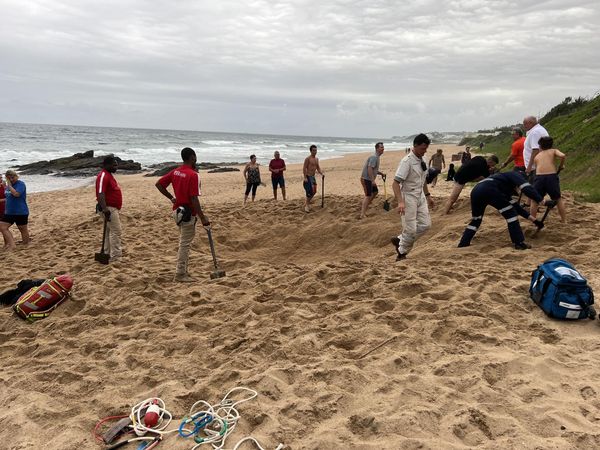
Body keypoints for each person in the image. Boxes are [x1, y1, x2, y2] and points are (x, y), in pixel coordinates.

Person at [155, 147, 210, 283]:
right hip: (187, 213)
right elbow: (194, 199)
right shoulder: (193, 175)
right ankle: (180, 273)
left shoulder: (176, 172)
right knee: (185, 244)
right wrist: (203, 218)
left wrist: (171, 198)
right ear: (192, 157)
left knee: (183, 241)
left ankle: (184, 271)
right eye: (195, 157)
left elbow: (159, 184)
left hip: (177, 211)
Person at [458, 171, 544, 249]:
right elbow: (526, 188)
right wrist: (541, 201)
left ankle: (464, 242)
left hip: (476, 191)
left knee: (476, 220)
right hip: (489, 190)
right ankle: (519, 243)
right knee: (511, 214)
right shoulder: (515, 175)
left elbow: (517, 207)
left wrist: (534, 221)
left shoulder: (500, 182)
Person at [390, 134, 434, 261]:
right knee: (410, 229)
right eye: (422, 148)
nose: (424, 151)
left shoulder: (424, 159)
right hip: (408, 196)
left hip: (420, 195)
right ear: (415, 146)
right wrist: (400, 202)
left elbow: (423, 179)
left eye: (426, 148)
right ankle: (401, 253)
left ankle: (400, 240)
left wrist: (428, 196)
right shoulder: (406, 162)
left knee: (426, 225)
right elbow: (395, 183)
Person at [530, 136, 567, 222]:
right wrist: (561, 166)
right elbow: (563, 155)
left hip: (539, 177)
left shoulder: (537, 156)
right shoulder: (553, 151)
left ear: (540, 146)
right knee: (557, 199)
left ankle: (533, 220)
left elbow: (537, 168)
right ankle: (564, 220)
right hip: (551, 177)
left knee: (534, 200)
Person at [95, 156, 123, 262]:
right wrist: (105, 209)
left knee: (109, 232)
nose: (116, 167)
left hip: (111, 208)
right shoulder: (103, 176)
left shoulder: (109, 175)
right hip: (108, 208)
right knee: (116, 231)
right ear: (107, 165)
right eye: (114, 165)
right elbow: (100, 193)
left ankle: (107, 253)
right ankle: (115, 256)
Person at [0, 170, 30, 250]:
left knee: (22, 229)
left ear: (16, 176)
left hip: (20, 211)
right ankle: (12, 245)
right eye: (9, 178)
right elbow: (7, 196)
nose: (11, 179)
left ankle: (26, 245)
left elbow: (16, 194)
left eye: (13, 177)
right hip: (9, 212)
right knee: (2, 227)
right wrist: (5, 186)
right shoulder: (7, 185)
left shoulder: (20, 184)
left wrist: (9, 186)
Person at [359, 142, 386, 219]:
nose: (383, 149)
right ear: (377, 148)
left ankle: (365, 206)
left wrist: (381, 173)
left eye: (383, 147)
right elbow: (369, 168)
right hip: (366, 179)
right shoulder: (374, 157)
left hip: (369, 179)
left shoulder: (377, 157)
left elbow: (374, 169)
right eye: (381, 147)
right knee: (368, 195)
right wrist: (372, 180)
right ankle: (362, 214)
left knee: (375, 192)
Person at [303, 145, 324, 212]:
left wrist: (321, 173)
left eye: (316, 150)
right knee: (309, 192)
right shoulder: (308, 158)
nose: (315, 152)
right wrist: (305, 177)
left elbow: (318, 168)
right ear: (311, 151)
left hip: (313, 177)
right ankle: (306, 205)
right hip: (308, 176)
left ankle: (306, 203)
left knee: (314, 191)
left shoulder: (316, 159)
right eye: (314, 150)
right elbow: (304, 168)